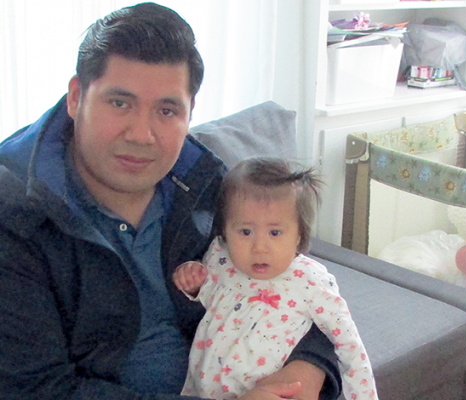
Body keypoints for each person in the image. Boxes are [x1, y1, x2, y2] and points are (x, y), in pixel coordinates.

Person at [0, 3, 340, 399]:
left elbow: (289, 276)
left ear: (190, 112)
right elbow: (35, 389)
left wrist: (309, 366)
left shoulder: (203, 183)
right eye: (120, 103)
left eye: (166, 110)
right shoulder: (16, 216)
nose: (142, 134)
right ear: (77, 97)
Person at [173, 158, 377, 400]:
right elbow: (213, 303)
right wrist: (195, 286)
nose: (260, 247)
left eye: (275, 232)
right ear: (224, 230)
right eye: (245, 231)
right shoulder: (220, 257)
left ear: (299, 234)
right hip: (205, 392)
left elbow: (349, 345)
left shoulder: (310, 280)